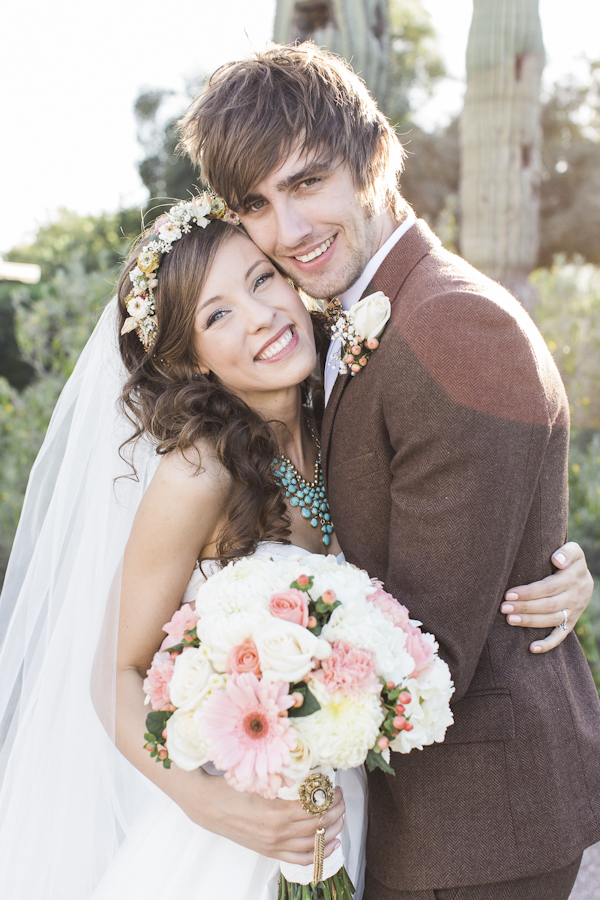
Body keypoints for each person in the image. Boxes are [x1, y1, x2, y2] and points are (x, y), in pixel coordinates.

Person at [0, 191, 592, 900]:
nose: (260, 317)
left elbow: (446, 528)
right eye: (217, 315)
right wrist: (216, 808)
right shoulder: (199, 472)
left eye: (261, 279)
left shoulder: (344, 412)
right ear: (192, 362)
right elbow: (113, 674)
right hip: (237, 837)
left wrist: (557, 570)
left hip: (352, 812)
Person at [176, 43, 600, 899]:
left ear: (373, 154)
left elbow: (431, 645)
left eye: (307, 182)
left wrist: (237, 690)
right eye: (255, 202)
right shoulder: (340, 324)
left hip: (476, 832)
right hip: (415, 816)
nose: (288, 231)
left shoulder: (453, 326)